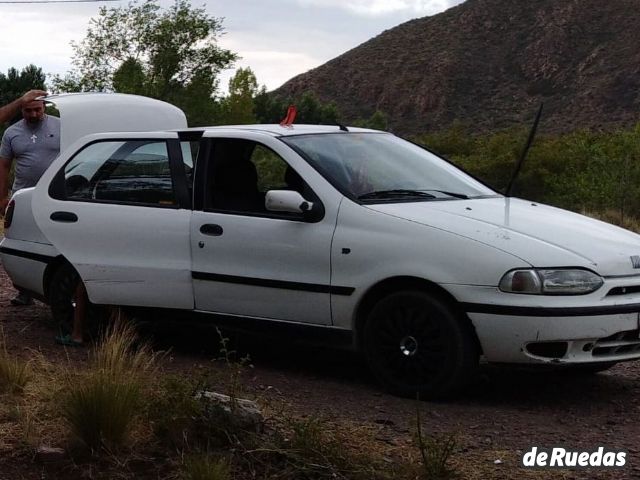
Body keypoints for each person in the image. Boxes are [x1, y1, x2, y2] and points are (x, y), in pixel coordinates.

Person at [0, 90, 59, 305]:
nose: (33, 114)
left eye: (38, 110)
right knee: (22, 243)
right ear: (21, 110)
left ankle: (52, 288)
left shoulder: (61, 126)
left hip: (55, 196)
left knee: (53, 241)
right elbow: (4, 166)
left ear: (45, 107)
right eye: (28, 110)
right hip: (22, 196)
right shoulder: (12, 133)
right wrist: (2, 197)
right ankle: (24, 290)